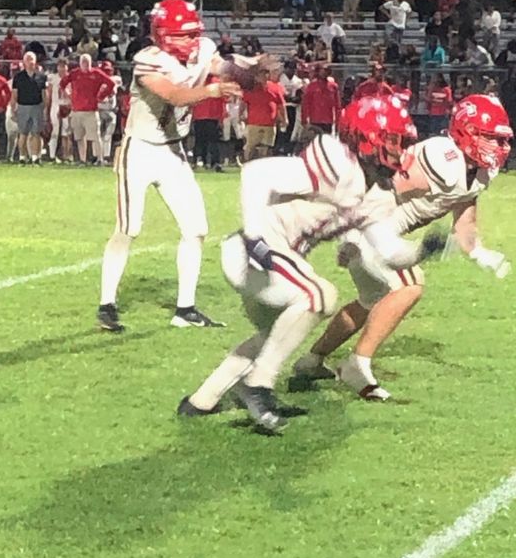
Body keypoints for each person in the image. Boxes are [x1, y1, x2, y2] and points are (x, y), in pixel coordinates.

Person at [178, 96, 423, 429]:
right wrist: (254, 236)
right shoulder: (338, 163)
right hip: (252, 252)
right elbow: (256, 173)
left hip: (279, 263)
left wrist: (423, 250)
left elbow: (390, 251)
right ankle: (258, 386)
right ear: (365, 137)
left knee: (275, 334)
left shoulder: (377, 195)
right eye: (394, 140)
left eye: (402, 142)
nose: (399, 149)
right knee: (319, 296)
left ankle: (200, 402)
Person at [293, 95, 513, 401]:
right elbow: (381, 186)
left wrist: (476, 251)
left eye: (500, 140)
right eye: (489, 138)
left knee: (373, 301)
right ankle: (358, 364)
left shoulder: (478, 171)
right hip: (370, 227)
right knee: (410, 285)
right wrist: (352, 234)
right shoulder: (442, 157)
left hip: (381, 231)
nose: (497, 148)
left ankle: (311, 360)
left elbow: (463, 216)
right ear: (466, 132)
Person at [98, 0, 244, 333]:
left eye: (194, 33)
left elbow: (222, 66)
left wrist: (248, 69)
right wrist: (213, 90)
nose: (191, 41)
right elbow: (176, 95)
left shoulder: (203, 49)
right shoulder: (148, 61)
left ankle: (185, 308)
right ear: (163, 34)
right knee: (128, 228)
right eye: (183, 35)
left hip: (173, 152)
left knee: (196, 228)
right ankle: (107, 304)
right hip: (140, 151)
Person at [59, 53, 115, 166]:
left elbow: (111, 83)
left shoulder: (96, 73)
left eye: (87, 61)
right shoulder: (75, 73)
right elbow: (63, 83)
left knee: (95, 136)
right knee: (79, 137)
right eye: (83, 61)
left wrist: (101, 96)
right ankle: (82, 159)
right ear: (80, 63)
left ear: (90, 63)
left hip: (91, 110)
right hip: (77, 110)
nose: (85, 64)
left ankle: (100, 159)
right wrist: (68, 94)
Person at [11, 51, 49, 166]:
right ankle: (22, 157)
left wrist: (45, 109)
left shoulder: (41, 77)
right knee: (23, 134)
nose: (30, 62)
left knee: (36, 133)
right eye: (27, 59)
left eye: (32, 59)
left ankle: (35, 157)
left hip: (37, 107)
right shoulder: (18, 77)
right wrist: (13, 109)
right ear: (24, 62)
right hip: (23, 107)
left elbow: (44, 94)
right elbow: (14, 94)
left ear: (35, 61)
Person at [242, 66, 287, 161]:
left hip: (270, 123)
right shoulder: (251, 88)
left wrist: (285, 119)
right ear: (257, 76)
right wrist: (241, 115)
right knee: (251, 146)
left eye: (266, 73)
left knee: (266, 147)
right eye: (261, 74)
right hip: (254, 122)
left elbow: (281, 105)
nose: (264, 76)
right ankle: (247, 163)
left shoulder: (275, 87)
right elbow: (244, 103)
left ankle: (262, 165)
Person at [192, 77, 225, 171]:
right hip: (200, 116)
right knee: (201, 141)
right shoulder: (198, 82)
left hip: (212, 117)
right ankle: (201, 161)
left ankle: (214, 162)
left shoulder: (217, 82)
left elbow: (222, 100)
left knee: (212, 142)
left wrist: (221, 118)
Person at [300, 63, 340, 135]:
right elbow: (305, 104)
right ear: (318, 71)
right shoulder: (311, 86)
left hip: (328, 121)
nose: (324, 72)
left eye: (327, 70)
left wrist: (338, 122)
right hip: (315, 120)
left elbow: (337, 106)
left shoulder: (333, 86)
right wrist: (304, 119)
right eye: (322, 70)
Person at [97, 60, 122, 164]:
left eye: (109, 71)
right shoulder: (98, 79)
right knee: (99, 135)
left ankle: (104, 156)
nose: (108, 73)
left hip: (109, 110)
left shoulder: (115, 79)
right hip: (100, 109)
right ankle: (99, 157)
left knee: (106, 135)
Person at [46, 59, 70, 163]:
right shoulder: (53, 78)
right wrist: (47, 107)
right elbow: (49, 94)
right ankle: (52, 155)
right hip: (56, 105)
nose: (62, 68)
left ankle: (66, 156)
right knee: (54, 131)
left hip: (67, 105)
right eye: (60, 66)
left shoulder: (70, 77)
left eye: (64, 66)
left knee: (66, 132)